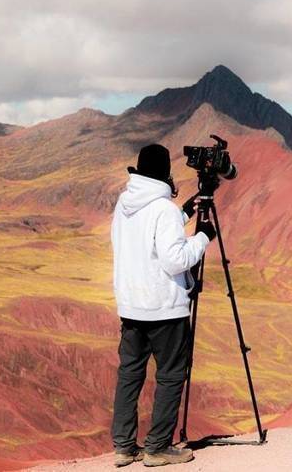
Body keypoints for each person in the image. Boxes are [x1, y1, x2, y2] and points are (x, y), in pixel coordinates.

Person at [110, 144, 215, 467]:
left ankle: (124, 447)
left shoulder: (126, 203)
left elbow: (148, 236)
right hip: (163, 309)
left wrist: (184, 211)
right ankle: (158, 448)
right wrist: (203, 236)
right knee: (170, 375)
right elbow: (175, 260)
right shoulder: (163, 210)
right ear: (165, 173)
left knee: (130, 373)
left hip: (131, 306)